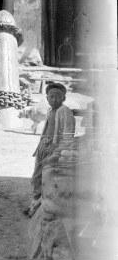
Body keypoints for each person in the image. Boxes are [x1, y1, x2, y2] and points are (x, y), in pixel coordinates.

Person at [26, 82, 75, 217]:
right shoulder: (50, 111)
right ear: (47, 98)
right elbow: (47, 129)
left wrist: (58, 152)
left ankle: (41, 208)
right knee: (37, 176)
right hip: (44, 146)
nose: (54, 99)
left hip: (55, 149)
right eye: (51, 96)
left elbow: (68, 135)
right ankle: (34, 203)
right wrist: (41, 146)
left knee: (47, 177)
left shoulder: (65, 112)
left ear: (64, 98)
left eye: (58, 96)